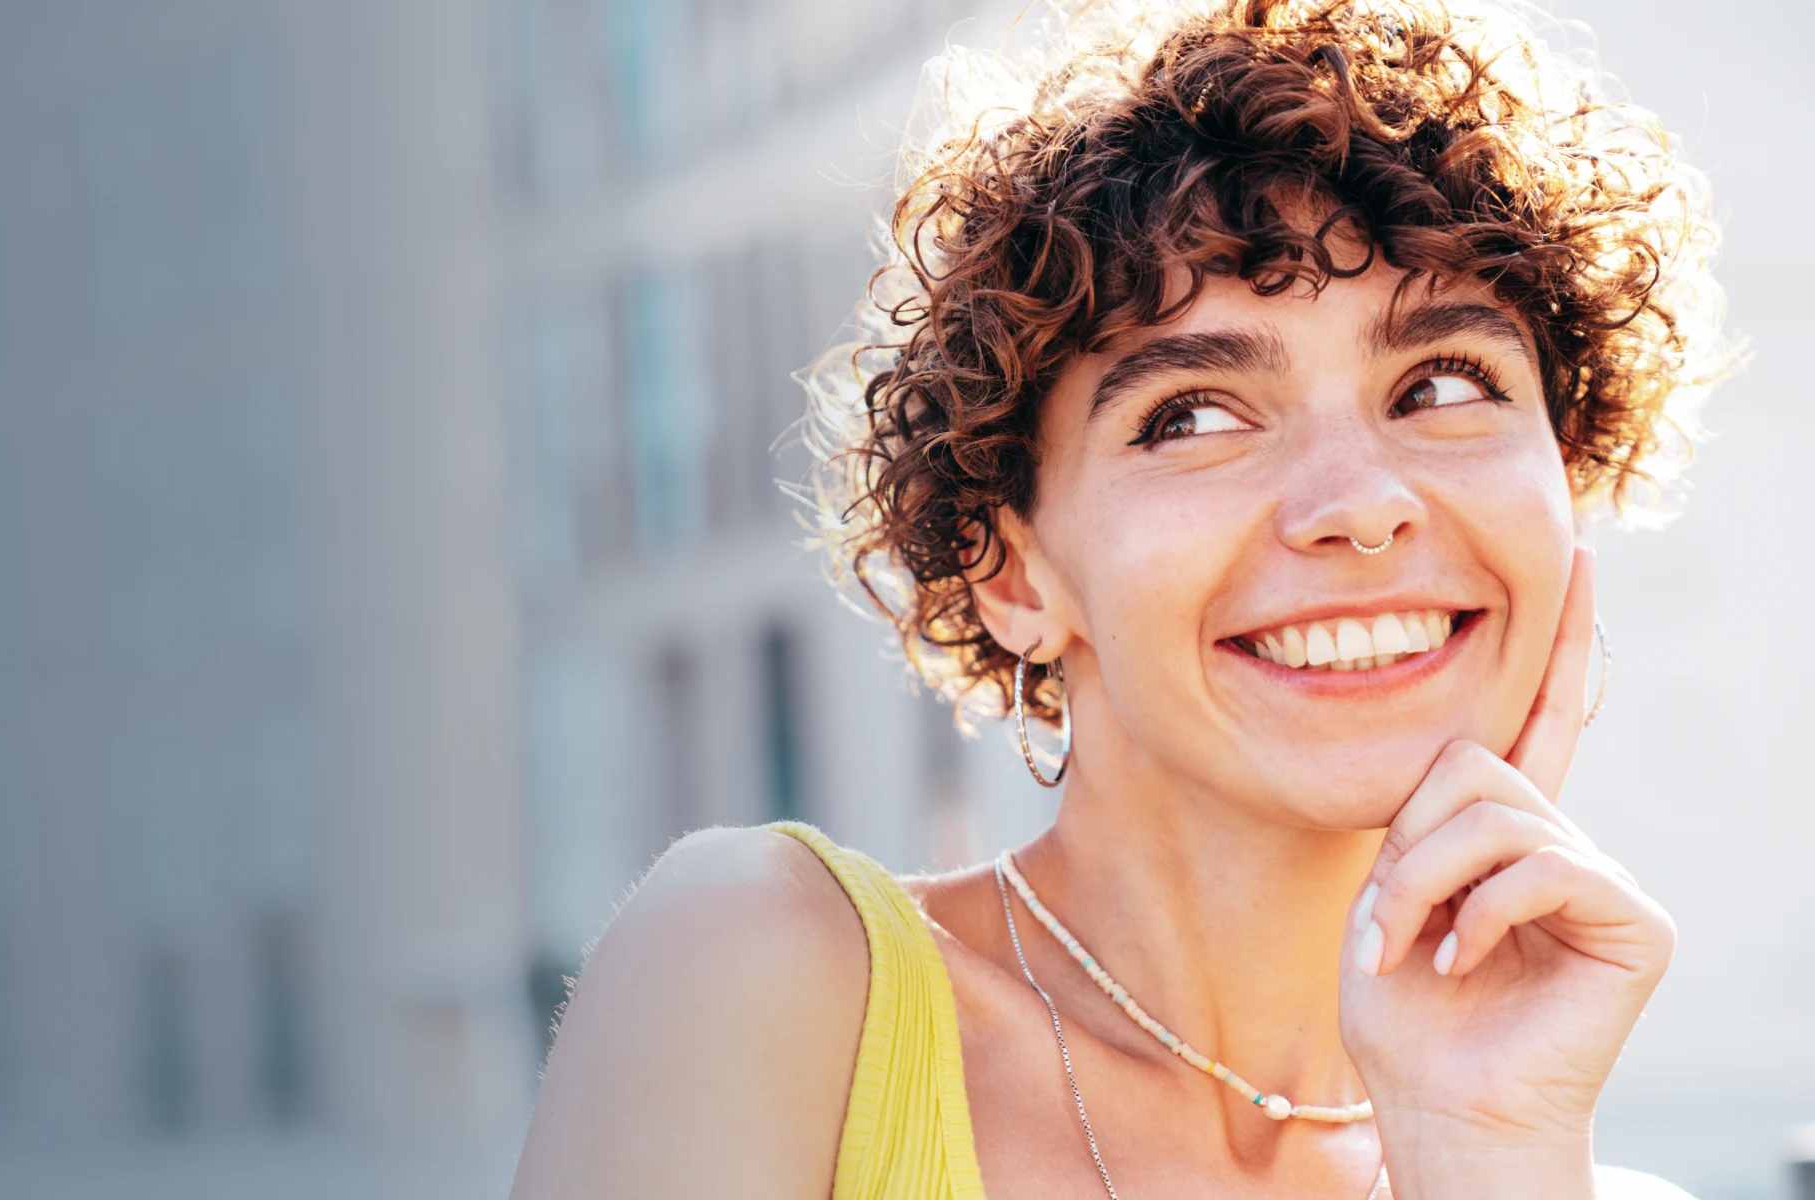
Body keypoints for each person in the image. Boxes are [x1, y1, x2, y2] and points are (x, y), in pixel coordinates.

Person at [512, 1, 1733, 1196]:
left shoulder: (1552, 1162)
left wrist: (1483, 1151)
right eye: (1192, 416)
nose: (1363, 505)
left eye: (1446, 385)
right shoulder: (758, 975)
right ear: (1013, 572)